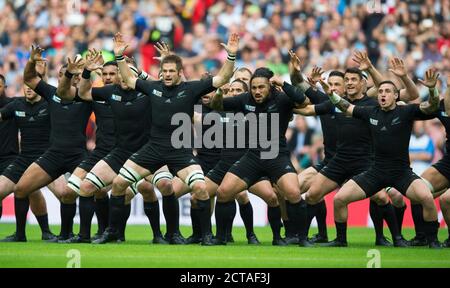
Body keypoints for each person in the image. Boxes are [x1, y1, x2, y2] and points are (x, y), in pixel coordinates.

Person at [101, 32, 238, 246]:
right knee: (118, 184)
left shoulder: (191, 88)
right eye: (164, 71)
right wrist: (119, 56)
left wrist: (231, 56)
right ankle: (112, 231)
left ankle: (205, 235)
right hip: (153, 148)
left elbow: (223, 78)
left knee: (201, 189)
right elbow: (128, 78)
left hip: (180, 151)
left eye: (171, 71)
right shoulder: (153, 88)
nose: (167, 75)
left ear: (179, 73)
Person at [59, 51, 172, 244]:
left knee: (151, 186)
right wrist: (85, 71)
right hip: (114, 152)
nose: (110, 77)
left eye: (116, 72)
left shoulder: (146, 92)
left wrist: (144, 71)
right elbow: (75, 93)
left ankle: (160, 235)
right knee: (86, 187)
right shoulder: (106, 93)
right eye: (107, 74)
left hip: (145, 152)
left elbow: (165, 88)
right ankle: (89, 235)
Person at [321, 69, 442, 248]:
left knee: (426, 197)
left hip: (401, 172)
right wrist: (331, 95)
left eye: (387, 92)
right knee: (339, 199)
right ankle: (340, 240)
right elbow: (346, 107)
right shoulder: (370, 112)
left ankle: (433, 241)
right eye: (380, 92)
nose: (382, 94)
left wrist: (433, 90)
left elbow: (431, 107)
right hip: (375, 172)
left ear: (395, 96)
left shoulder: (406, 111)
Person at [293, 67, 406, 247]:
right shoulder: (337, 102)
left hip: (365, 163)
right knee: (312, 194)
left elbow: (387, 87)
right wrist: (282, 105)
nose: (350, 82)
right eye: (347, 79)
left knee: (382, 198)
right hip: (339, 161)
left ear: (363, 83)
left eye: (354, 79)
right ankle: (305, 239)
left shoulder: (373, 104)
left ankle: (396, 238)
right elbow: (308, 110)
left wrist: (369, 67)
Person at [210, 67, 311, 246]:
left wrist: (283, 83)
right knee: (223, 192)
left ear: (270, 87)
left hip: (277, 155)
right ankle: (220, 237)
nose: (257, 91)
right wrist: (219, 91)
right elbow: (217, 105)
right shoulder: (245, 99)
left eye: (261, 87)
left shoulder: (281, 99)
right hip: (253, 156)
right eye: (254, 87)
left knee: (294, 193)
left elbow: (304, 101)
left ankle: (301, 238)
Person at [14, 45, 92, 242]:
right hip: (54, 154)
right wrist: (32, 61)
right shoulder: (51, 94)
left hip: (78, 156)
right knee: (21, 189)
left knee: (75, 193)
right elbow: (29, 79)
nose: (63, 79)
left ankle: (78, 234)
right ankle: (21, 235)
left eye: (68, 75)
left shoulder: (86, 97)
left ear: (77, 78)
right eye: (61, 75)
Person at [205, 79, 283, 245]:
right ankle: (206, 235)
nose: (234, 93)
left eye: (238, 90)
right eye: (231, 90)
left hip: (249, 166)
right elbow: (204, 104)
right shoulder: (221, 112)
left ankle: (270, 236)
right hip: (224, 165)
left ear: (246, 94)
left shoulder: (254, 112)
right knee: (199, 193)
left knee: (271, 197)